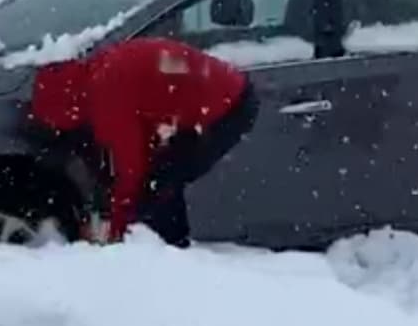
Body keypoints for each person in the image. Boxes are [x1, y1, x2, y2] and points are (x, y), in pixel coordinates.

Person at [27, 36, 259, 247]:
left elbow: (130, 169)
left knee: (155, 186)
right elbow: (143, 133)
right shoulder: (99, 69)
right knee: (159, 176)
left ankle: (169, 255)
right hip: (219, 93)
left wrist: (117, 227)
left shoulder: (106, 97)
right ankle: (170, 247)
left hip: (227, 108)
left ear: (66, 106)